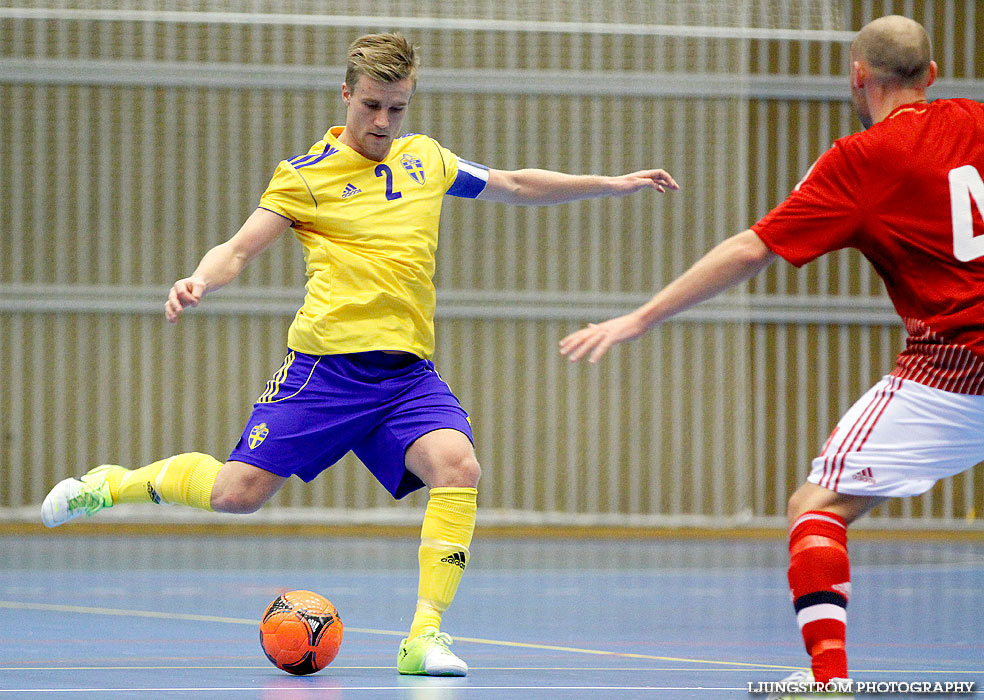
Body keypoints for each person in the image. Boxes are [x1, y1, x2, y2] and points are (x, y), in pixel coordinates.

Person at [40, 32, 678, 677]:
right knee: (239, 494)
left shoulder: (426, 160)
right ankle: (109, 485)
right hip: (326, 371)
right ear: (346, 94)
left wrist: (612, 183)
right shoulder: (305, 177)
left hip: (406, 376)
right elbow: (237, 249)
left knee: (458, 467)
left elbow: (514, 184)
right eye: (371, 105)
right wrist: (199, 280)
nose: (382, 121)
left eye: (396, 108)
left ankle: (424, 637)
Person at [560, 14, 984, 700]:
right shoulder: (976, 119)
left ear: (858, 77)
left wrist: (640, 317)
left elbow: (750, 250)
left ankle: (829, 682)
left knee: (815, 504)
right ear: (932, 75)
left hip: (955, 368)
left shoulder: (861, 158)